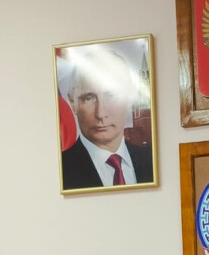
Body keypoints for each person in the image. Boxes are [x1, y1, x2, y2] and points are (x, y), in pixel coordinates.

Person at [61, 49, 153, 190]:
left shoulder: (151, 160)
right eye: (88, 98)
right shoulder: (60, 170)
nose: (101, 114)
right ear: (73, 104)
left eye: (112, 96)